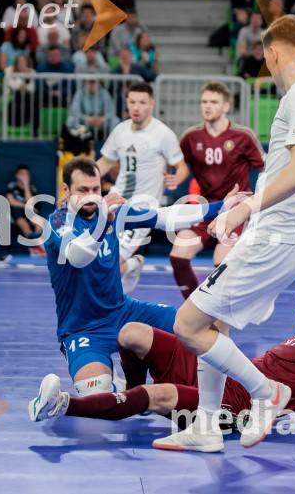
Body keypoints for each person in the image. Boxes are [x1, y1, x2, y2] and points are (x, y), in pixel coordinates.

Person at [153, 15, 295, 452]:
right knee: (214, 323)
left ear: (273, 52)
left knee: (188, 324)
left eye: (265, 59)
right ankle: (205, 426)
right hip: (286, 233)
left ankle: (267, 392)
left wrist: (247, 207)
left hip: (276, 235)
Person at [30, 269, 295, 448]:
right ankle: (132, 397)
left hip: (235, 404)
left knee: (162, 397)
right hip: (222, 373)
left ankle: (63, 405)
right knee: (132, 333)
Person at [43, 156, 241, 395]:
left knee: (199, 327)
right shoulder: (57, 221)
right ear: (66, 189)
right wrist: (102, 223)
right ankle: (119, 382)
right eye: (82, 190)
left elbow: (165, 216)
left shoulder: (110, 212)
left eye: (96, 189)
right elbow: (77, 256)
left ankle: (233, 391)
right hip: (81, 328)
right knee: (99, 393)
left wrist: (221, 207)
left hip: (122, 311)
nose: (91, 196)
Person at [171, 82, 265, 300]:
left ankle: (220, 313)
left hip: (235, 210)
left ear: (226, 106)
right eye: (204, 101)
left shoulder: (243, 135)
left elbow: (266, 169)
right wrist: (175, 176)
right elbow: (180, 163)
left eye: (213, 102)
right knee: (178, 256)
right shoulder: (190, 137)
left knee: (220, 264)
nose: (207, 106)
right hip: (207, 209)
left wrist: (258, 204)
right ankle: (194, 307)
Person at [96, 82, 189, 294]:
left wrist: (176, 179)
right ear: (126, 103)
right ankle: (133, 265)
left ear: (151, 104)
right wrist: (79, 183)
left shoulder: (163, 133)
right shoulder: (120, 130)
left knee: (110, 265)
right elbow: (105, 162)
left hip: (141, 210)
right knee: (96, 259)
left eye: (142, 102)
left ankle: (133, 265)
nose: (136, 107)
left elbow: (181, 166)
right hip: (114, 203)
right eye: (132, 102)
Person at [6, 164, 45, 256]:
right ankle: (32, 239)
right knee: (19, 214)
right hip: (17, 213)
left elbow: (30, 202)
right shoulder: (12, 186)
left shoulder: (32, 188)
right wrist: (25, 206)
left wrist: (26, 184)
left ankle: (38, 241)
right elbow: (11, 201)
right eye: (21, 173)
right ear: (16, 175)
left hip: (30, 212)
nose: (24, 176)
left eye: (26, 174)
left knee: (38, 220)